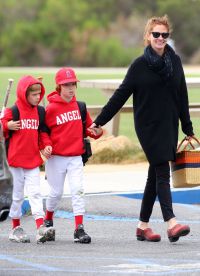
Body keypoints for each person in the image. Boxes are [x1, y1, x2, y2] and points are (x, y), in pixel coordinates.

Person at [91, 15, 194, 243]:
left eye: (164, 35)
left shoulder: (175, 61)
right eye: (156, 34)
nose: (160, 38)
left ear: (168, 37)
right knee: (161, 170)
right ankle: (171, 222)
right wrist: (99, 121)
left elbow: (182, 96)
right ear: (148, 36)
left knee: (153, 175)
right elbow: (120, 95)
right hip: (147, 126)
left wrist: (187, 127)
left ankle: (142, 226)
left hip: (169, 124)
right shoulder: (139, 65)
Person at [43, 67, 102, 243]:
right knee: (56, 193)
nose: (70, 88)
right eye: (66, 85)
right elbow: (43, 132)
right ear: (58, 87)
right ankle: (48, 218)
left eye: (73, 84)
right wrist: (46, 145)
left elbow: (89, 128)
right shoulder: (50, 109)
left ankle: (79, 229)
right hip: (56, 158)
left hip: (76, 156)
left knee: (78, 191)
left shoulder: (80, 107)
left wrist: (96, 131)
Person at [1, 75, 55, 243]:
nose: (38, 97)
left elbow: (41, 133)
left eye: (39, 94)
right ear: (24, 94)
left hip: (32, 160)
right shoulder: (13, 110)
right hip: (15, 161)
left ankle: (40, 227)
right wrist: (6, 125)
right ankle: (15, 227)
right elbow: (2, 127)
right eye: (34, 94)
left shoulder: (39, 111)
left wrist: (45, 146)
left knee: (35, 193)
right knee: (17, 195)